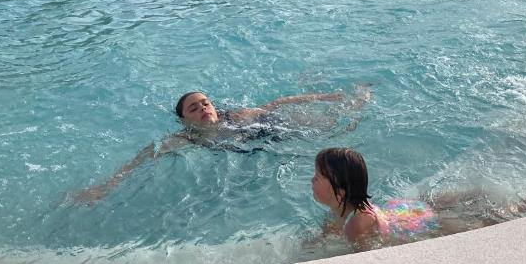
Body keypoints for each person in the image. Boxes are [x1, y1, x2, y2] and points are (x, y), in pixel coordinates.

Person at [72, 89, 368, 204]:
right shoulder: (187, 139)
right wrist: (106, 186)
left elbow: (276, 104)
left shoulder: (236, 115)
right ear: (184, 121)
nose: (203, 109)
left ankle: (353, 108)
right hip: (251, 147)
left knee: (322, 128)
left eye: (205, 103)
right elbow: (143, 157)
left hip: (265, 131)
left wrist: (326, 97)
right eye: (193, 108)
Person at [311, 147, 526, 250]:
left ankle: (521, 207)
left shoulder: (356, 223)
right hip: (400, 211)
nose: (311, 180)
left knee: (476, 226)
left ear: (339, 193)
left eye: (317, 177)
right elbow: (331, 229)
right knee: (438, 203)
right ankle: (480, 194)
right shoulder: (342, 213)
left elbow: (369, 261)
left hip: (411, 223)